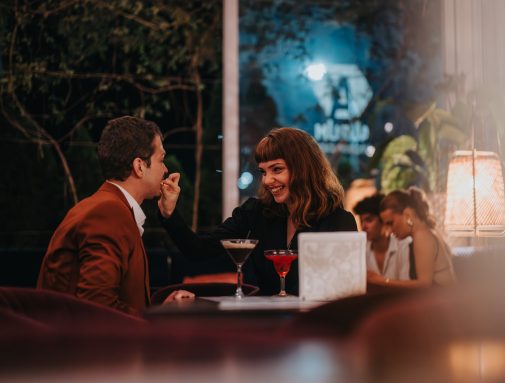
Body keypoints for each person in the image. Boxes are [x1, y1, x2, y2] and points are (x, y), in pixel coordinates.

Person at [159, 127, 357, 296]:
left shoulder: (338, 221)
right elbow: (199, 250)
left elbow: (341, 294)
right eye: (263, 171)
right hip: (266, 327)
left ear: (303, 169)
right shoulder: (255, 212)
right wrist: (169, 214)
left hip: (314, 329)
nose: (267, 180)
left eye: (277, 170)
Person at [37, 116, 186, 316]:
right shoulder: (108, 213)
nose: (166, 169)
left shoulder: (108, 206)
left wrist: (159, 309)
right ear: (139, 166)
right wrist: (156, 322)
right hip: (79, 347)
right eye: (161, 160)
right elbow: (98, 308)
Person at [377, 187, 456, 287]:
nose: (389, 231)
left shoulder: (421, 235)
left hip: (445, 300)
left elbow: (424, 284)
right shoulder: (428, 230)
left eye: (390, 223)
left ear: (407, 214)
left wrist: (382, 281)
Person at [353, 194, 412, 284]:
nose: (363, 226)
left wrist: (382, 281)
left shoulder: (403, 245)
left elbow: (407, 285)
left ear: (384, 220)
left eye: (369, 220)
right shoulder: (361, 251)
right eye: (361, 221)